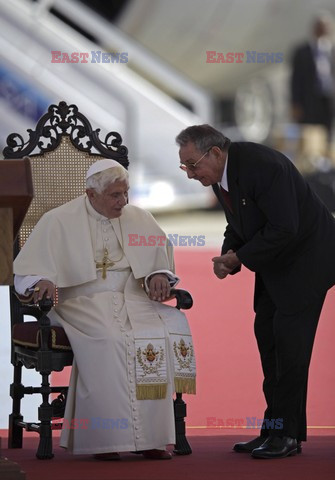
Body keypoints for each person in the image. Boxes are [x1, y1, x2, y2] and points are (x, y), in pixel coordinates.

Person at [13, 159, 196, 461]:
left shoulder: (138, 218)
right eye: (115, 195)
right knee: (110, 338)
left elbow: (159, 259)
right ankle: (106, 439)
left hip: (135, 299)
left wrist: (158, 274)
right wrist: (42, 279)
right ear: (91, 194)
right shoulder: (58, 220)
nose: (123, 202)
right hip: (81, 304)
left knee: (164, 328)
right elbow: (28, 271)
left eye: (126, 193)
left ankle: (152, 438)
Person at [176, 124, 335, 459]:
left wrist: (240, 257)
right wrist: (228, 254)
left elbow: (284, 227)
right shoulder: (220, 174)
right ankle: (273, 429)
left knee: (290, 349)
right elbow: (239, 222)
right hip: (276, 263)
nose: (189, 174)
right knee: (268, 338)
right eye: (184, 166)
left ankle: (288, 436)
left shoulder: (264, 166)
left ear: (215, 153)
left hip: (307, 262)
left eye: (192, 165)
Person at [290, 12, 335, 140]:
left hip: (328, 99)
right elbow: (296, 79)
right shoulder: (302, 51)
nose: (324, 29)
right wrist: (295, 102)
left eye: (326, 26)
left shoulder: (332, 50)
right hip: (309, 99)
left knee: (327, 133)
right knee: (308, 134)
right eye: (320, 26)